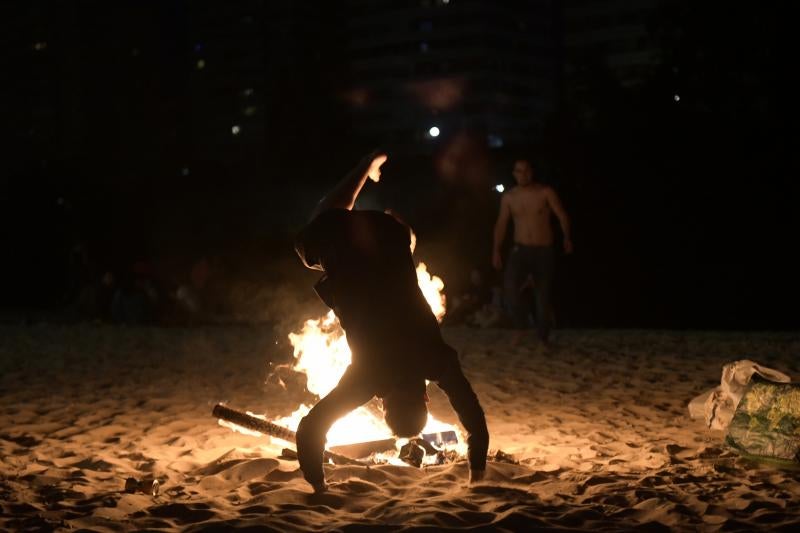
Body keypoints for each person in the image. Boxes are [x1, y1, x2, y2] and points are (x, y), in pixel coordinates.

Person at [294, 151, 489, 494]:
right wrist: (318, 487)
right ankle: (363, 165)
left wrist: (478, 472)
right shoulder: (369, 378)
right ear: (383, 403)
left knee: (401, 247)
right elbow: (310, 430)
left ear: (425, 399)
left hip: (392, 234)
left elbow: (476, 425)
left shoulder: (437, 360)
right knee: (324, 217)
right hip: (342, 242)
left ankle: (388, 208)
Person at [492, 158, 572, 345]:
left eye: (525, 171)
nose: (522, 174)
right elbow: (501, 224)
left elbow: (561, 215)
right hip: (520, 249)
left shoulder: (545, 192)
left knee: (542, 295)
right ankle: (521, 326)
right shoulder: (510, 197)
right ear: (514, 174)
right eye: (518, 171)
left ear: (531, 172)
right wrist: (495, 250)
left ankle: (543, 335)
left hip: (543, 249)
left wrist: (567, 238)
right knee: (510, 288)